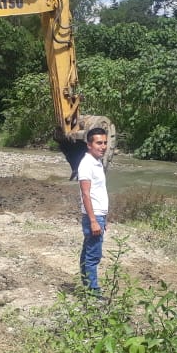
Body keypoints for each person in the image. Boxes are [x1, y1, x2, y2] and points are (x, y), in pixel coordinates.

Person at [77, 127, 110, 296]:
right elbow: (86, 194)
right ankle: (93, 292)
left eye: (105, 143)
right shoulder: (86, 164)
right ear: (89, 145)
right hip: (94, 216)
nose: (103, 146)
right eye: (99, 143)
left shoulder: (96, 162)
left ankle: (87, 287)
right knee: (93, 255)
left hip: (98, 215)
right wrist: (93, 220)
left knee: (88, 252)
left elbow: (99, 193)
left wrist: (104, 217)